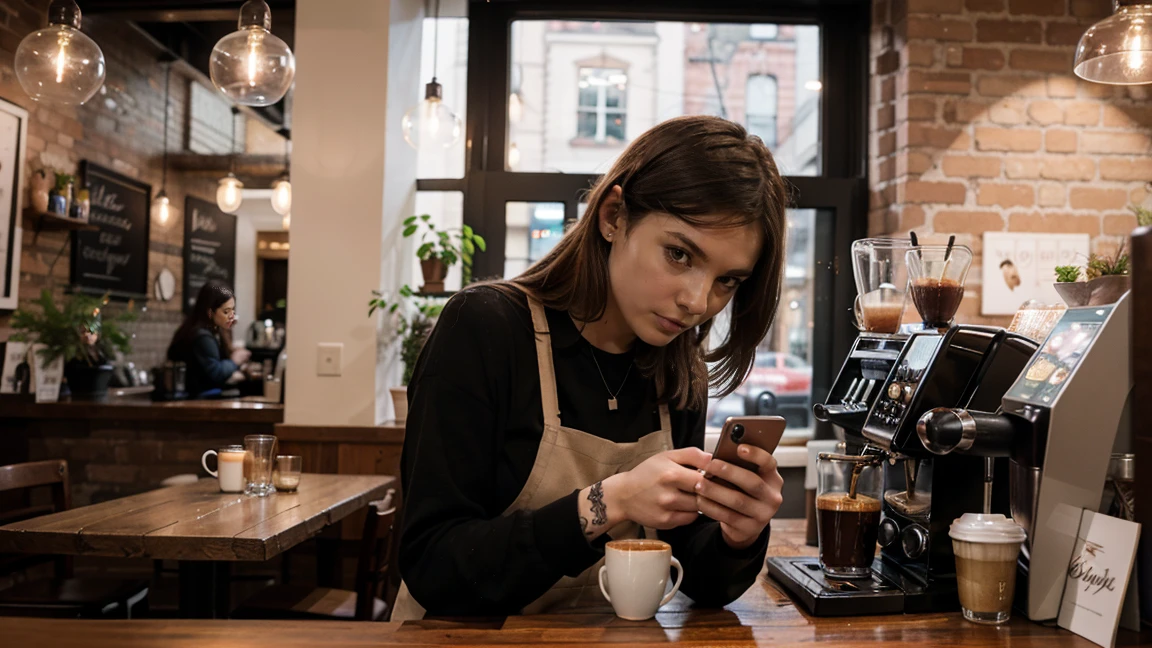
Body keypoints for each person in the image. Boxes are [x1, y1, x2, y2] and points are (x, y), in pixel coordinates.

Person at [395, 115, 789, 619]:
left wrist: (739, 535)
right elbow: (433, 565)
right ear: (613, 217)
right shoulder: (486, 328)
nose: (697, 300)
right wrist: (608, 502)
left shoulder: (677, 371)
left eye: (727, 281)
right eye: (678, 254)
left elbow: (700, 577)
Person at [167, 281, 250, 398]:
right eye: (226, 311)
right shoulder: (202, 336)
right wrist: (234, 361)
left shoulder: (194, 328)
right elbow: (216, 373)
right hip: (198, 402)